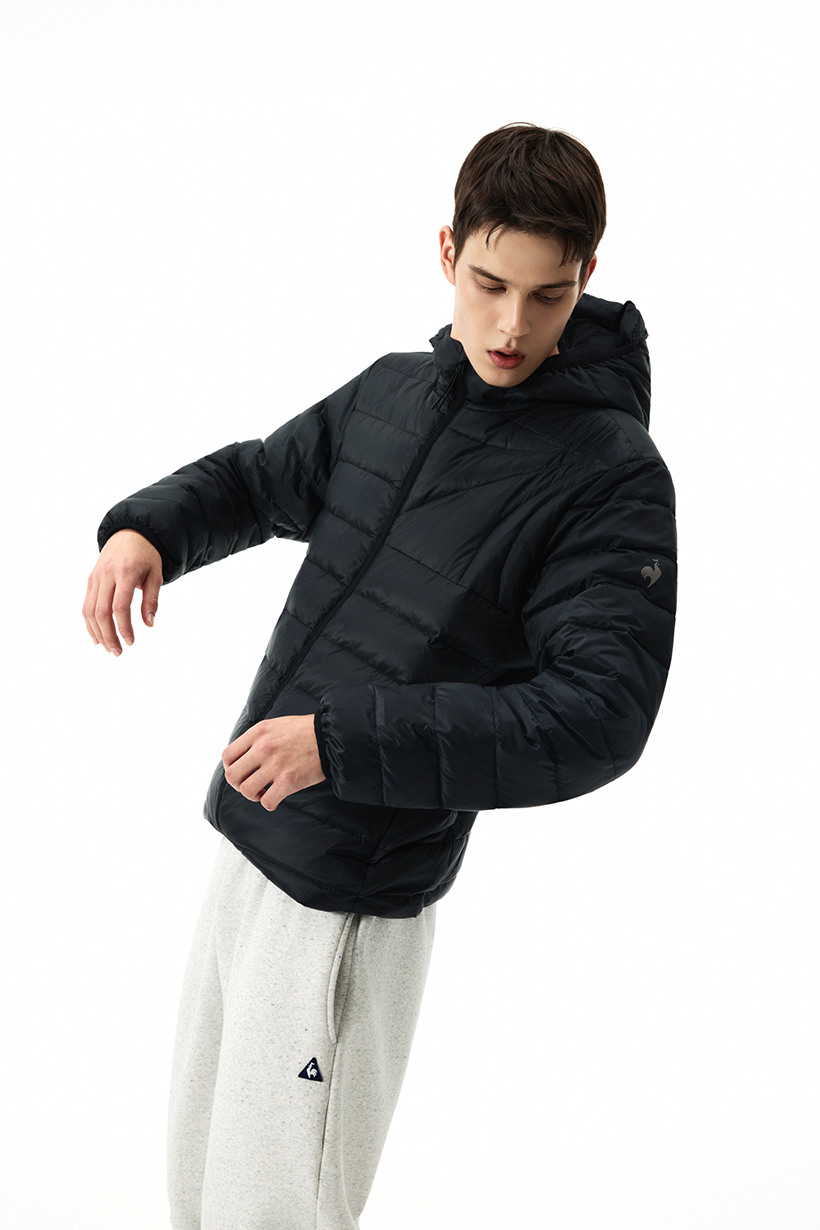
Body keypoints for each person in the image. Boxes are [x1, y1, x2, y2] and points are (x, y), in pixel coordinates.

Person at [83, 123, 676, 1230]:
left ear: (587, 276)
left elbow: (598, 714)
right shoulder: (397, 393)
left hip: (352, 894)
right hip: (253, 842)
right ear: (446, 250)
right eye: (489, 284)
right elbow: (261, 478)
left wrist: (342, 742)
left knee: (273, 1212)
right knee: (199, 1199)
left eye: (547, 296)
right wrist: (147, 529)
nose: (511, 325)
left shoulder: (608, 476)